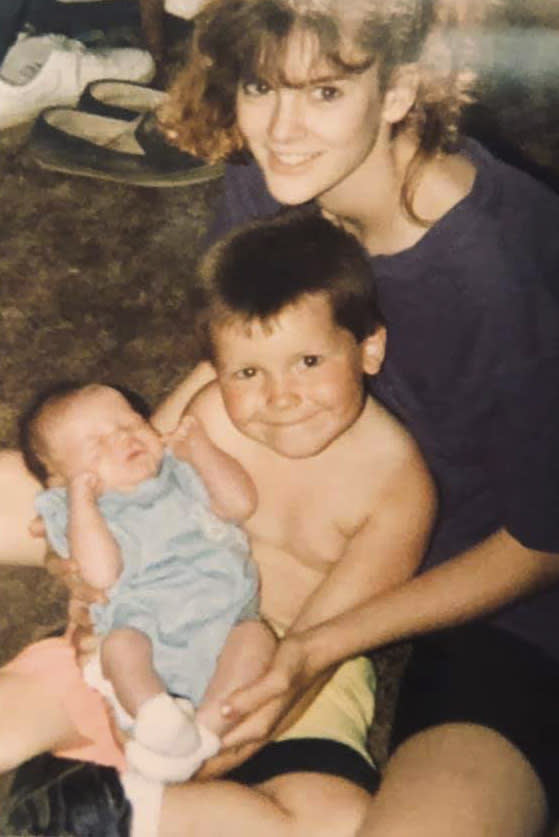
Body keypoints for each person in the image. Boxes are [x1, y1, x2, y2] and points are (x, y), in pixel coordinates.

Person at [1, 0, 559, 832]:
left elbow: (542, 542)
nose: (281, 130)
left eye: (325, 93)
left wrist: (310, 651)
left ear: (400, 89)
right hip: (268, 507)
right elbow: (230, 347)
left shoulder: (503, 273)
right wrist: (133, 476)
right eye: (262, 87)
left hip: (493, 593)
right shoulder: (271, 181)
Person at [0, 208, 435, 836]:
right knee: (24, 707)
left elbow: (317, 648)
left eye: (309, 362)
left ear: (368, 348)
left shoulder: (398, 488)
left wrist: (213, 747)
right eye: (248, 373)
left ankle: (110, 809)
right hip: (151, 618)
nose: (280, 398)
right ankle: (107, 779)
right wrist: (71, 570)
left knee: (338, 821)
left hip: (289, 670)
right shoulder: (211, 414)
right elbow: (118, 490)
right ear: (215, 368)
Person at [7, 380, 275, 783]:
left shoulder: (180, 472)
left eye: (131, 423)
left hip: (227, 619)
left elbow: (240, 504)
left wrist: (200, 449)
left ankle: (200, 734)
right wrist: (82, 503)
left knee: (259, 639)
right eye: (97, 445)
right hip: (143, 624)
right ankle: (154, 716)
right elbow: (101, 574)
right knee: (121, 646)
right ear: (61, 480)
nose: (123, 439)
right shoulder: (78, 511)